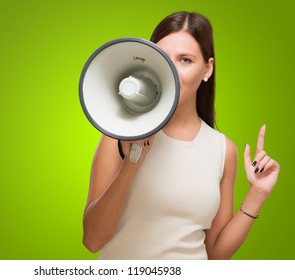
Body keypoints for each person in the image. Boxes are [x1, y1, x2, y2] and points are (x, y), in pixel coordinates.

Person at [82, 11, 280, 259]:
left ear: (207, 69)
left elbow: (216, 254)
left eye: (185, 60)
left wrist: (257, 194)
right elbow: (92, 240)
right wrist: (131, 164)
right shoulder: (119, 134)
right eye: (163, 57)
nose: (171, 70)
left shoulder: (222, 150)